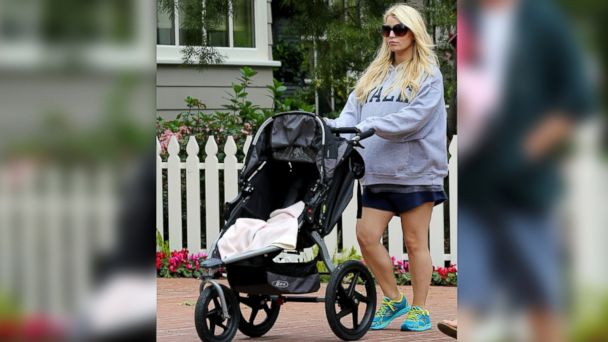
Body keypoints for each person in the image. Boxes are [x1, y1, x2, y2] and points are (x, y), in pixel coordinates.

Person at [325, 4, 448, 332]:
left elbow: (414, 119)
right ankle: (394, 299)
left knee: (414, 241)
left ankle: (420, 309)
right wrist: (334, 127)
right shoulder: (374, 74)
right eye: (387, 30)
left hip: (415, 171)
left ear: (414, 33)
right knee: (366, 236)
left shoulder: (428, 74)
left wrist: (373, 126)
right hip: (376, 170)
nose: (392, 35)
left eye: (400, 29)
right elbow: (352, 113)